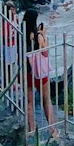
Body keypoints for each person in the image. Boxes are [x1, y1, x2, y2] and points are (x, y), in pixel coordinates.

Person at [23, 7, 57, 137]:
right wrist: (43, 34)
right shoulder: (38, 35)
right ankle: (52, 130)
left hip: (27, 71)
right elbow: (45, 51)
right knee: (46, 100)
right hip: (39, 73)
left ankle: (31, 130)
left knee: (29, 102)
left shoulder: (22, 33)